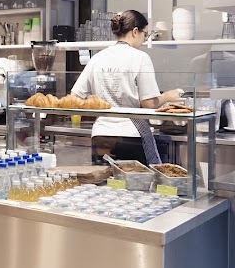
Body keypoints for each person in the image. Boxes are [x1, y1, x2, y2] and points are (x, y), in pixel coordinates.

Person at [71, 9, 184, 166]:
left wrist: (99, 101)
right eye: (145, 35)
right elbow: (149, 103)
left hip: (100, 134)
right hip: (130, 135)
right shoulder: (140, 58)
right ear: (135, 31)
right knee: (135, 181)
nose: (144, 40)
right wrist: (168, 96)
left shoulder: (97, 58)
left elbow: (75, 97)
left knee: (104, 179)